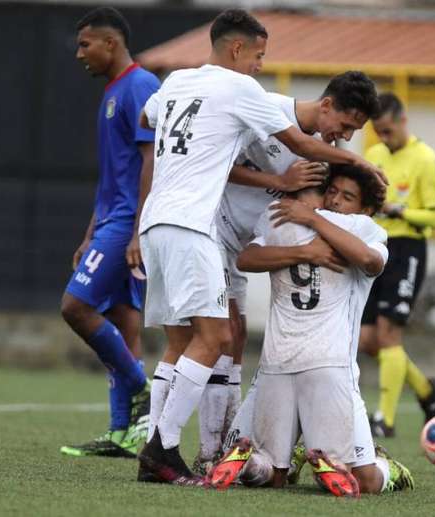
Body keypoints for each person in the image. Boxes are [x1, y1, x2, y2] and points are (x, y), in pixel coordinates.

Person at [134, 8, 385, 485]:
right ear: (237, 48)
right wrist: (353, 168)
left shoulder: (176, 83)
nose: (261, 65)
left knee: (202, 341)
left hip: (161, 224)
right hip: (200, 228)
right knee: (216, 339)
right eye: (259, 54)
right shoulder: (249, 96)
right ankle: (161, 449)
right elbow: (300, 147)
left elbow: (152, 117)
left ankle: (198, 449)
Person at [192, 70, 380, 473]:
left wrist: (312, 224)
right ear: (327, 105)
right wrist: (279, 185)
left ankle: (228, 444)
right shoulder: (269, 113)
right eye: (345, 126)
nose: (345, 137)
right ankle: (196, 448)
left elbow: (369, 259)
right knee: (218, 336)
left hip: (327, 359)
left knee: (234, 336)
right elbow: (215, 164)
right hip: (218, 235)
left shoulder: (346, 213)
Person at [209, 165, 414, 497]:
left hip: (308, 365)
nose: (335, 200)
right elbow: (247, 258)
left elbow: (369, 261)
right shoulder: (347, 226)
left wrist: (311, 219)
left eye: (347, 197)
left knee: (298, 477)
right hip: (302, 365)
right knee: (345, 481)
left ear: (364, 209)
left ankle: (384, 468)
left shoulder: (337, 226)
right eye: (332, 191)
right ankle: (349, 463)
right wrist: (307, 246)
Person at [58, 7, 157, 458]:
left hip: (126, 225)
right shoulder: (114, 92)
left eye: (85, 44)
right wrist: (87, 233)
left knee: (75, 307)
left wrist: (136, 230)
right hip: (111, 220)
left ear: (110, 44)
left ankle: (144, 391)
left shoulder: (140, 86)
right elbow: (113, 175)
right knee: (122, 322)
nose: (79, 54)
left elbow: (151, 161)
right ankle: (123, 433)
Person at [360, 92, 435, 438]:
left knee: (389, 334)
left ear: (402, 121)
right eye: (378, 132)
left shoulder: (425, 159)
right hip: (375, 246)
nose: (384, 138)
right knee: (367, 340)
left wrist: (402, 211)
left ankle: (385, 419)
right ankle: (427, 391)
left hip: (408, 248)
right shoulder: (373, 155)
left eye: (388, 130)